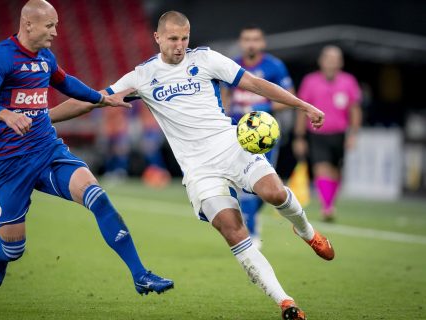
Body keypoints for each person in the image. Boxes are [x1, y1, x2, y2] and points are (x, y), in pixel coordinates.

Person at [49, 11, 334, 320]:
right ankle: (285, 302)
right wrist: (43, 118)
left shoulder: (207, 59)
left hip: (231, 146)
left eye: (184, 38)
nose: (180, 45)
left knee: (276, 193)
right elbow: (91, 99)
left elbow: (254, 83)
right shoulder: (142, 76)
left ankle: (306, 231)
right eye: (173, 39)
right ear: (158, 38)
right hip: (198, 170)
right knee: (233, 229)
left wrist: (304, 106)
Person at [0, 0, 173, 295]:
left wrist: (101, 98)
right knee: (14, 248)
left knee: (97, 197)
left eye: (57, 26)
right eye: (49, 25)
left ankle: (140, 275)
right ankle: (0, 257)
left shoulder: (45, 58)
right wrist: (6, 114)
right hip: (10, 161)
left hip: (48, 149)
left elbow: (68, 84)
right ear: (28, 24)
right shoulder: (2, 57)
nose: (55, 32)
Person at [221, 25, 296, 249]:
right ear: (241, 42)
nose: (251, 44)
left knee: (263, 184)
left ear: (262, 43)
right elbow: (225, 96)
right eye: (247, 39)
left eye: (255, 39)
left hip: (264, 135)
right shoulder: (232, 66)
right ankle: (250, 229)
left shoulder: (274, 66)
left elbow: (289, 97)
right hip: (237, 132)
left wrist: (262, 104)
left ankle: (252, 217)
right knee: (242, 183)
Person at [294, 45, 362, 222]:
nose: (331, 62)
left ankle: (329, 203)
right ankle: (327, 207)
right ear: (321, 61)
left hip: (339, 134)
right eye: (328, 58)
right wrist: (299, 137)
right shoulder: (310, 81)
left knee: (335, 172)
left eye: (335, 58)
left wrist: (353, 134)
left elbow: (355, 110)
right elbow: (301, 111)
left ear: (341, 62)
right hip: (316, 134)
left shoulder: (349, 82)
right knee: (321, 169)